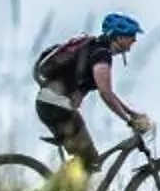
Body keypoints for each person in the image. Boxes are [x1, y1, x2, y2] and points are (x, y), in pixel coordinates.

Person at [32, 13, 152, 172]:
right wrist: (129, 120)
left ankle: (64, 185)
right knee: (90, 162)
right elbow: (106, 94)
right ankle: (56, 187)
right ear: (119, 37)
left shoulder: (95, 49)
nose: (134, 40)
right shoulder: (101, 54)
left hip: (52, 105)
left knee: (87, 161)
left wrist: (132, 113)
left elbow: (109, 93)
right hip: (56, 107)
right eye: (131, 35)